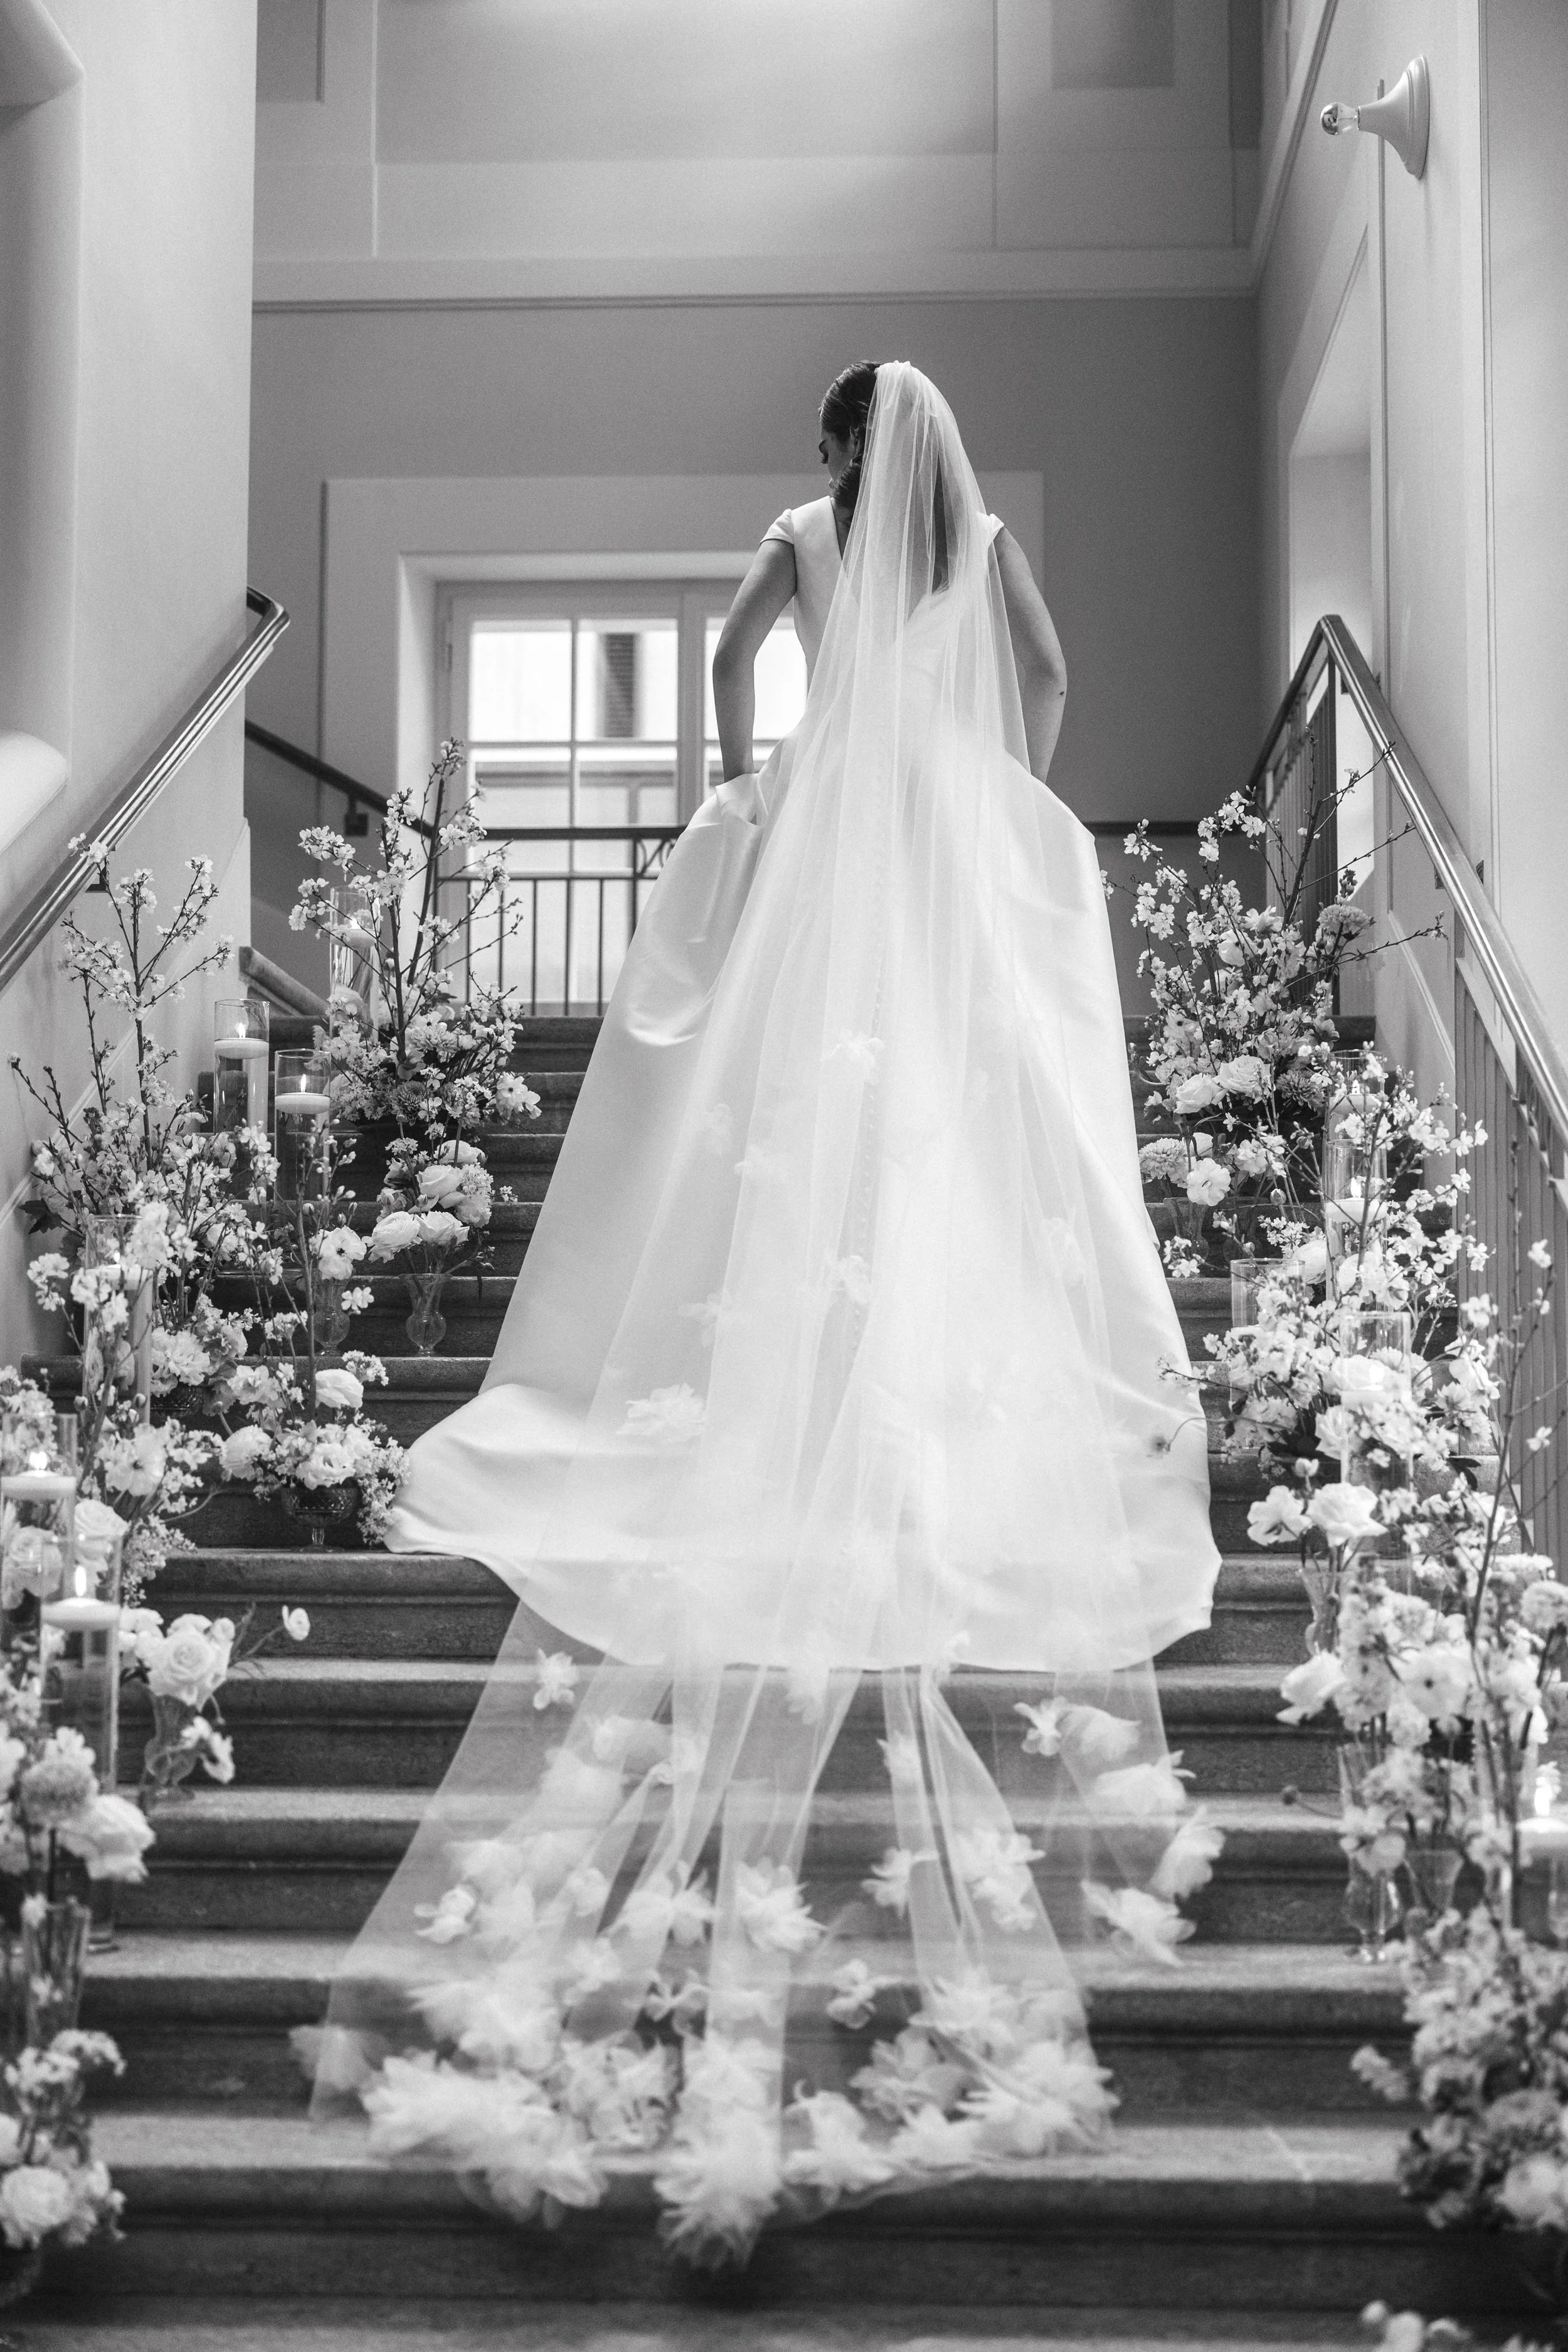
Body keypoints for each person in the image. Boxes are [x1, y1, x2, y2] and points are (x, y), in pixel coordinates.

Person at [312, 363, 1221, 2262]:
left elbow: (736, 668)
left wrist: (747, 767)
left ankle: (784, 1370)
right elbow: (1042, 680)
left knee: (798, 1117)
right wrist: (1008, 780)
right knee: (948, 1125)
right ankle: (923, 1400)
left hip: (827, 835)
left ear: (831, 455)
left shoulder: (801, 541)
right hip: (937, 836)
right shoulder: (974, 540)